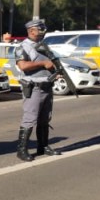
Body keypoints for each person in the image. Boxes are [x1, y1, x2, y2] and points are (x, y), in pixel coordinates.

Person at [14, 18, 62, 161]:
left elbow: (51, 63)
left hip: (47, 86)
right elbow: (22, 66)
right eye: (39, 29)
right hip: (33, 87)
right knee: (30, 119)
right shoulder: (23, 47)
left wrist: (55, 71)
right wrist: (42, 63)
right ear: (31, 31)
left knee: (44, 119)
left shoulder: (44, 46)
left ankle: (43, 146)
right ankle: (21, 150)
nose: (42, 32)